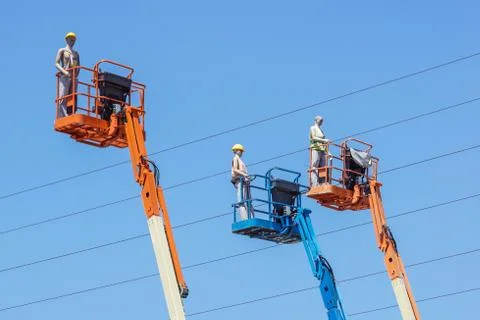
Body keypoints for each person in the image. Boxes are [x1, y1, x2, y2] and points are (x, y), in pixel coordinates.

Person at [55, 32, 80, 118]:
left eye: (73, 40)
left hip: (73, 77)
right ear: (66, 40)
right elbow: (56, 63)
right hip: (65, 76)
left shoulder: (76, 53)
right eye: (70, 39)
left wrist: (75, 75)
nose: (72, 41)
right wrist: (64, 72)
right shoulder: (62, 50)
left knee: (72, 95)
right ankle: (62, 115)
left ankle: (71, 112)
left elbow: (78, 66)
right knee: (63, 95)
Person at [231, 144, 250, 220]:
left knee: (248, 201)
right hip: (240, 181)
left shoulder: (240, 160)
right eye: (240, 150)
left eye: (242, 151)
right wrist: (244, 174)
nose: (241, 152)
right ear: (236, 151)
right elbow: (235, 169)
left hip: (244, 182)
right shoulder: (235, 158)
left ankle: (249, 217)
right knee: (241, 201)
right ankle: (245, 219)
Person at [309, 116, 330, 186]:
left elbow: (324, 143)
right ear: (316, 120)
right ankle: (315, 183)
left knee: (323, 166)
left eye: (322, 121)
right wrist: (324, 140)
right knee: (315, 165)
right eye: (320, 120)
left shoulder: (321, 131)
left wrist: (328, 152)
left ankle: (323, 182)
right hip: (316, 148)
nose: (321, 122)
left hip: (322, 149)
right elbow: (314, 137)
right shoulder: (312, 128)